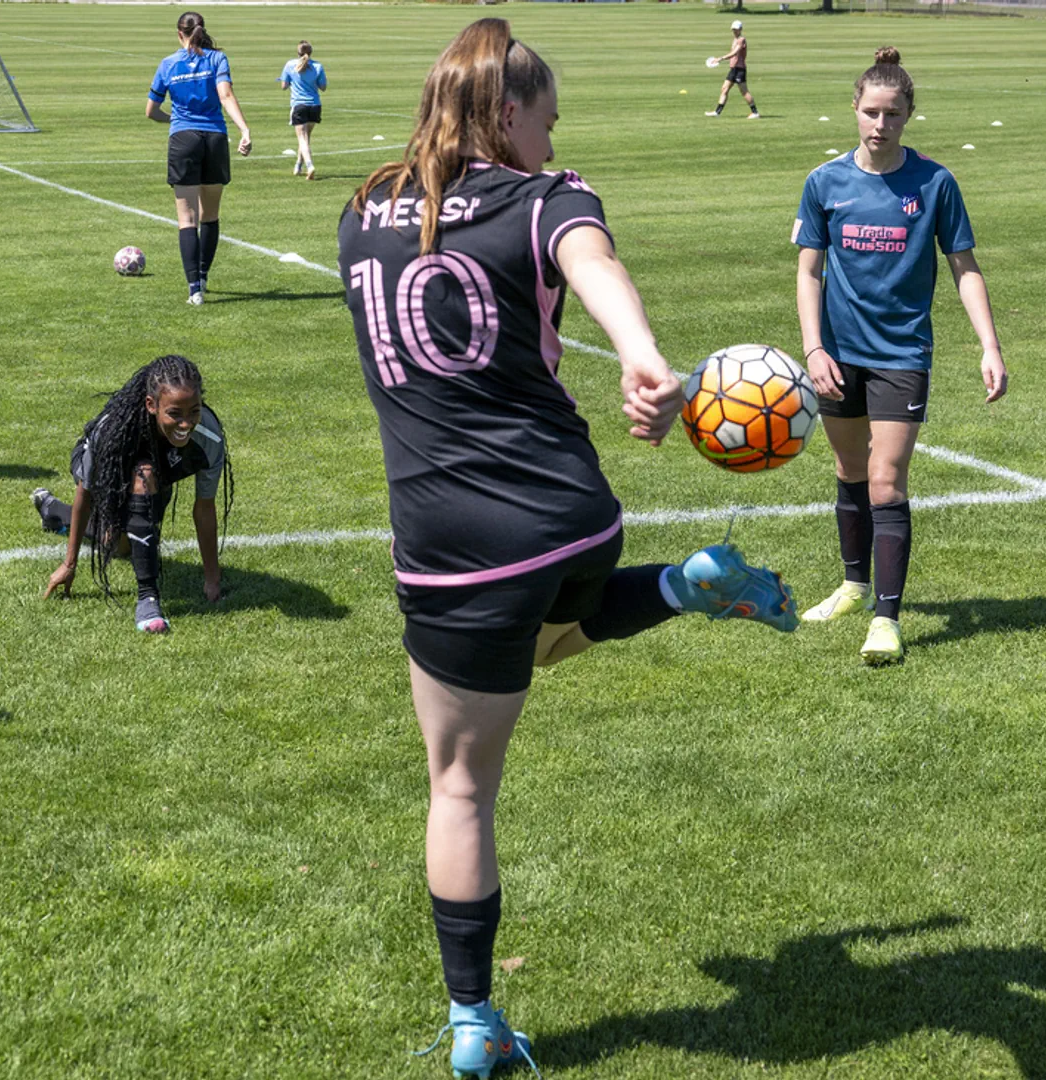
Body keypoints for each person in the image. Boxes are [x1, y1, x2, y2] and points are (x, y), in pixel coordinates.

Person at [336, 19, 798, 1078]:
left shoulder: (360, 208)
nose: (553, 139)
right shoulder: (546, 195)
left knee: (458, 785)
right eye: (546, 120)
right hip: (573, 514)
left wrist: (640, 351)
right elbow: (589, 258)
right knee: (543, 642)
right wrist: (640, 356)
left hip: (453, 541)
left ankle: (472, 1026)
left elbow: (578, 266)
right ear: (507, 114)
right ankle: (687, 584)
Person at [793, 46, 1007, 665]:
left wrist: (989, 346)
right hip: (836, 355)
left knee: (887, 481)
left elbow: (964, 268)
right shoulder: (825, 182)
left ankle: (886, 619)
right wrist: (812, 348)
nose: (879, 125)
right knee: (849, 471)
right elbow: (809, 272)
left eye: (892, 114)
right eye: (870, 113)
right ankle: (853, 584)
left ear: (909, 114)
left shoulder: (935, 183)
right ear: (854, 110)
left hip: (901, 353)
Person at [33, 355, 231, 633]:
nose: (186, 423)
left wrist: (212, 578)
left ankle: (52, 510)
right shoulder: (113, 431)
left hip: (156, 478)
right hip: (108, 470)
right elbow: (85, 496)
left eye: (194, 411)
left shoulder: (209, 436)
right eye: (175, 413)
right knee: (143, 475)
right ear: (152, 405)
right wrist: (69, 564)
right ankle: (148, 599)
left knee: (121, 546)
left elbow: (204, 507)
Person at [145, 11, 252, 306]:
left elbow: (151, 111)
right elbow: (226, 95)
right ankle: (204, 274)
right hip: (215, 139)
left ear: (179, 33)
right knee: (211, 216)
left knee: (186, 219)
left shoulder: (168, 64)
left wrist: (175, 121)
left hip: (183, 140)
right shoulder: (217, 59)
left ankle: (195, 290)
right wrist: (244, 129)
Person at [278, 41, 327, 180]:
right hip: (315, 105)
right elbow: (323, 87)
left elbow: (284, 86)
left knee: (303, 138)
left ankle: (310, 165)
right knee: (306, 138)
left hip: (299, 105)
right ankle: (298, 165)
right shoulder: (318, 66)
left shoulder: (290, 65)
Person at [707, 21, 758, 119]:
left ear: (740, 29)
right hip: (733, 69)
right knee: (724, 89)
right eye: (733, 29)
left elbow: (734, 53)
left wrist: (720, 58)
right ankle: (717, 112)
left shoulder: (741, 40)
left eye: (736, 29)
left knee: (744, 92)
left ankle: (755, 112)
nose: (734, 31)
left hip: (740, 69)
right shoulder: (735, 40)